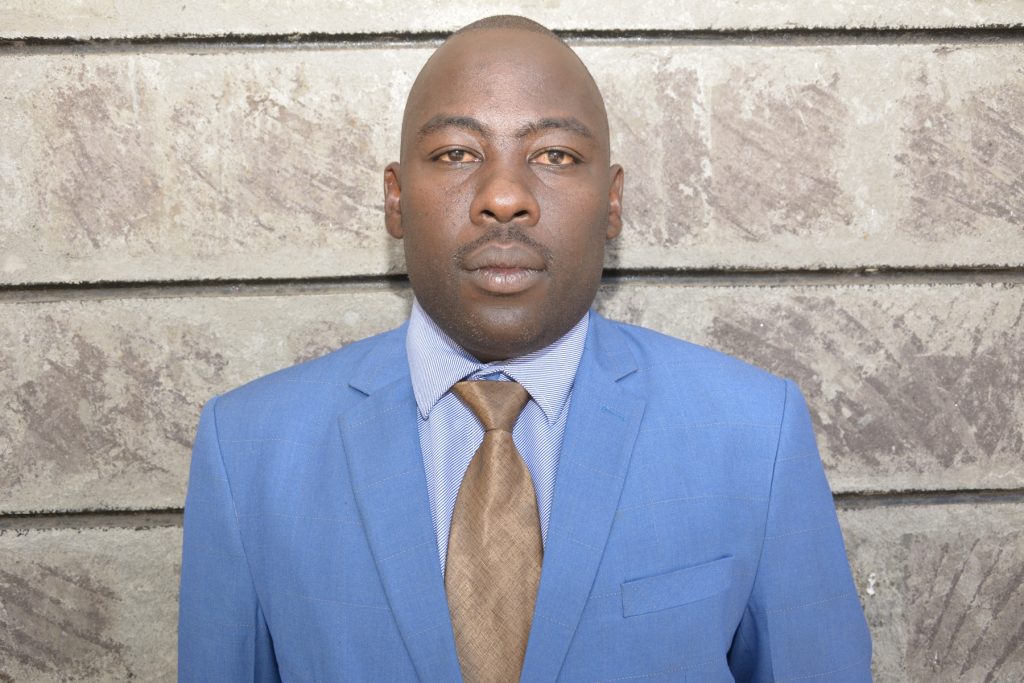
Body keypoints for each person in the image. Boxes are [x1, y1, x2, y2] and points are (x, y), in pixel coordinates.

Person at [178, 15, 872, 682]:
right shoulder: (248, 452)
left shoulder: (756, 434)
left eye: (554, 156)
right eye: (456, 153)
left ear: (612, 202)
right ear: (395, 199)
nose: (505, 196)